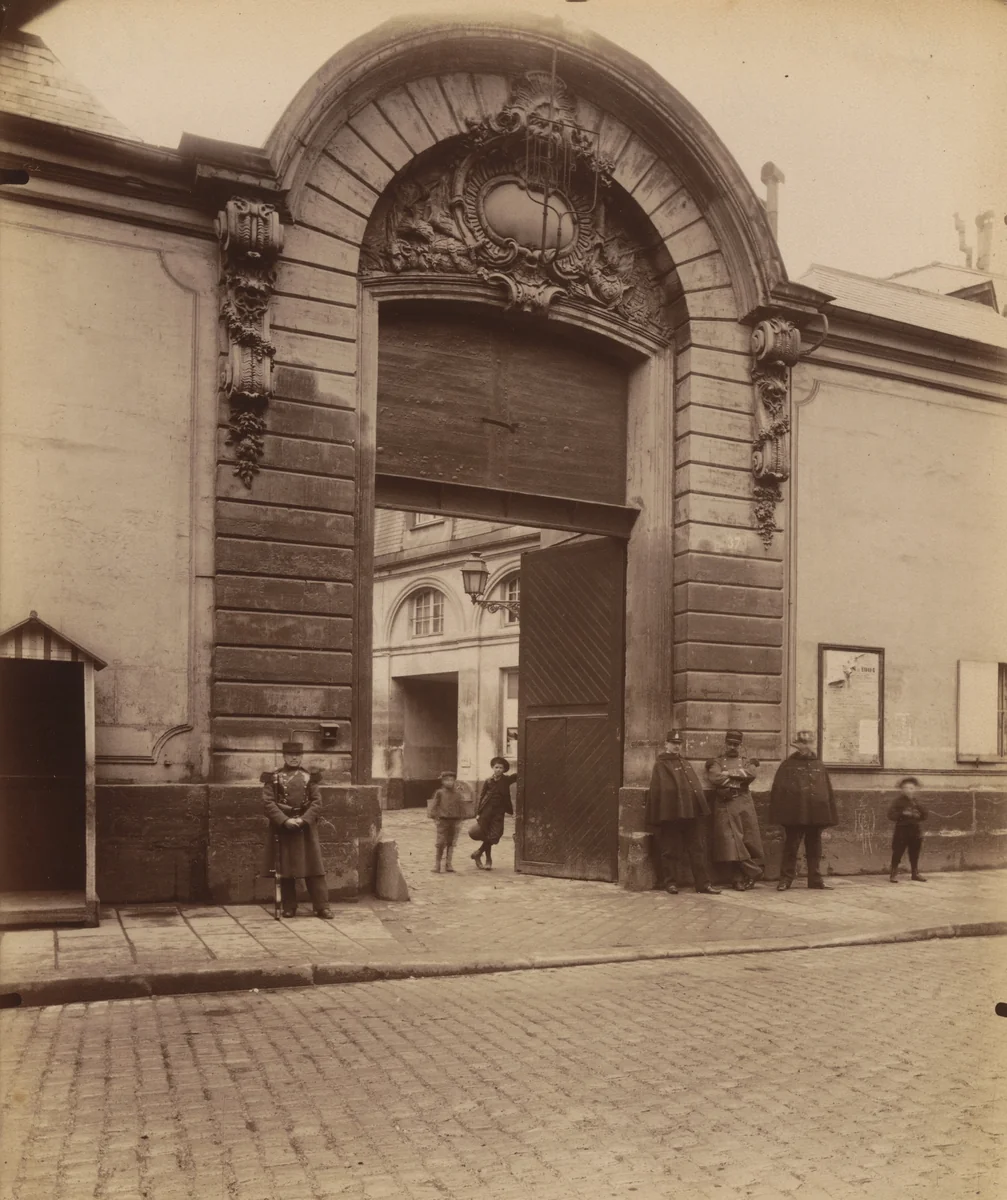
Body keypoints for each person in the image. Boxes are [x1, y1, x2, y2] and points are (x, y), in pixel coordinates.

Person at [261, 741, 332, 919]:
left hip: (305, 828)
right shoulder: (274, 777)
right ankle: (289, 906)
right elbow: (268, 803)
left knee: (314, 866)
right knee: (285, 868)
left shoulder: (309, 777)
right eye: (290, 755)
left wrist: (303, 820)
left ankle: (322, 906)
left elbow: (317, 803)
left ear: (301, 756)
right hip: (284, 828)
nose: (294, 758)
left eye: (297, 755)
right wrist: (284, 820)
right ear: (284, 756)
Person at [645, 730, 720, 895]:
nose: (676, 746)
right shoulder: (661, 764)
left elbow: (693, 786)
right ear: (666, 744)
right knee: (670, 849)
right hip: (671, 814)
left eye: (679, 743)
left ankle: (703, 884)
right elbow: (660, 790)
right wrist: (668, 810)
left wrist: (697, 805)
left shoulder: (684, 762)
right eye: (673, 743)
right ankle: (670, 883)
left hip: (690, 813)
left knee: (698, 848)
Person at [769, 729, 839, 891]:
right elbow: (779, 790)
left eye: (808, 743)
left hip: (815, 813)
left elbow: (826, 790)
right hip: (795, 814)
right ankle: (786, 879)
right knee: (791, 846)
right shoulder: (788, 765)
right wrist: (783, 812)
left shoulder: (818, 764)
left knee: (815, 847)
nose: (805, 746)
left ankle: (815, 880)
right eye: (802, 743)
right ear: (797, 745)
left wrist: (826, 812)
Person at [706, 730, 765, 889]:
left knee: (744, 840)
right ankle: (753, 872)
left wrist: (728, 773)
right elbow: (715, 778)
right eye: (730, 744)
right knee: (730, 841)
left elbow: (751, 774)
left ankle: (739, 878)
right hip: (725, 804)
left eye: (736, 744)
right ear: (725, 743)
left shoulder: (747, 761)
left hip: (743, 803)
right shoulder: (717, 761)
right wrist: (739, 779)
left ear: (740, 745)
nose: (732, 747)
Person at [471, 756, 515, 870]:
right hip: (486, 811)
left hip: (499, 812)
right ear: (492, 768)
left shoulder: (506, 780)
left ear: (504, 769)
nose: (498, 769)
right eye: (496, 767)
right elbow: (482, 797)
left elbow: (518, 775)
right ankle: (488, 859)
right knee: (486, 835)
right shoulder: (488, 781)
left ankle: (478, 852)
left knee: (495, 835)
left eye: (501, 768)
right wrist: (478, 813)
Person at [888, 776, 928, 883]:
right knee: (898, 852)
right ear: (902, 789)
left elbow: (925, 815)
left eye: (911, 788)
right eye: (905, 788)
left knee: (914, 852)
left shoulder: (917, 802)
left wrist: (918, 814)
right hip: (902, 831)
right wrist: (902, 814)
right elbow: (890, 815)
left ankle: (915, 873)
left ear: (915, 789)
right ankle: (893, 874)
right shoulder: (897, 801)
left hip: (915, 831)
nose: (908, 790)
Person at [428, 769, 468, 873]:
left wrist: (461, 820)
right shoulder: (439, 793)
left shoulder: (458, 794)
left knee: (451, 842)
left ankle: (448, 863)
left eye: (451, 780)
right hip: (442, 821)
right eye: (446, 780)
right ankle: (437, 864)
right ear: (442, 781)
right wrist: (434, 818)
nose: (449, 782)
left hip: (454, 821)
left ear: (454, 781)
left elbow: (462, 807)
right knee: (440, 843)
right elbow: (434, 806)